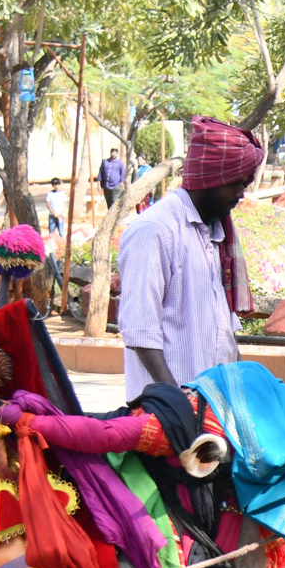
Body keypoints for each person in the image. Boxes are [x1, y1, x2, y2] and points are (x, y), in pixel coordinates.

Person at [117, 116, 264, 400]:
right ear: (209, 178)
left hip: (212, 409)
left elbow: (224, 332)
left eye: (244, 183)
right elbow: (140, 330)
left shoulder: (214, 231)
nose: (240, 193)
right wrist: (177, 403)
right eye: (234, 183)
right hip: (166, 413)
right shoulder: (155, 229)